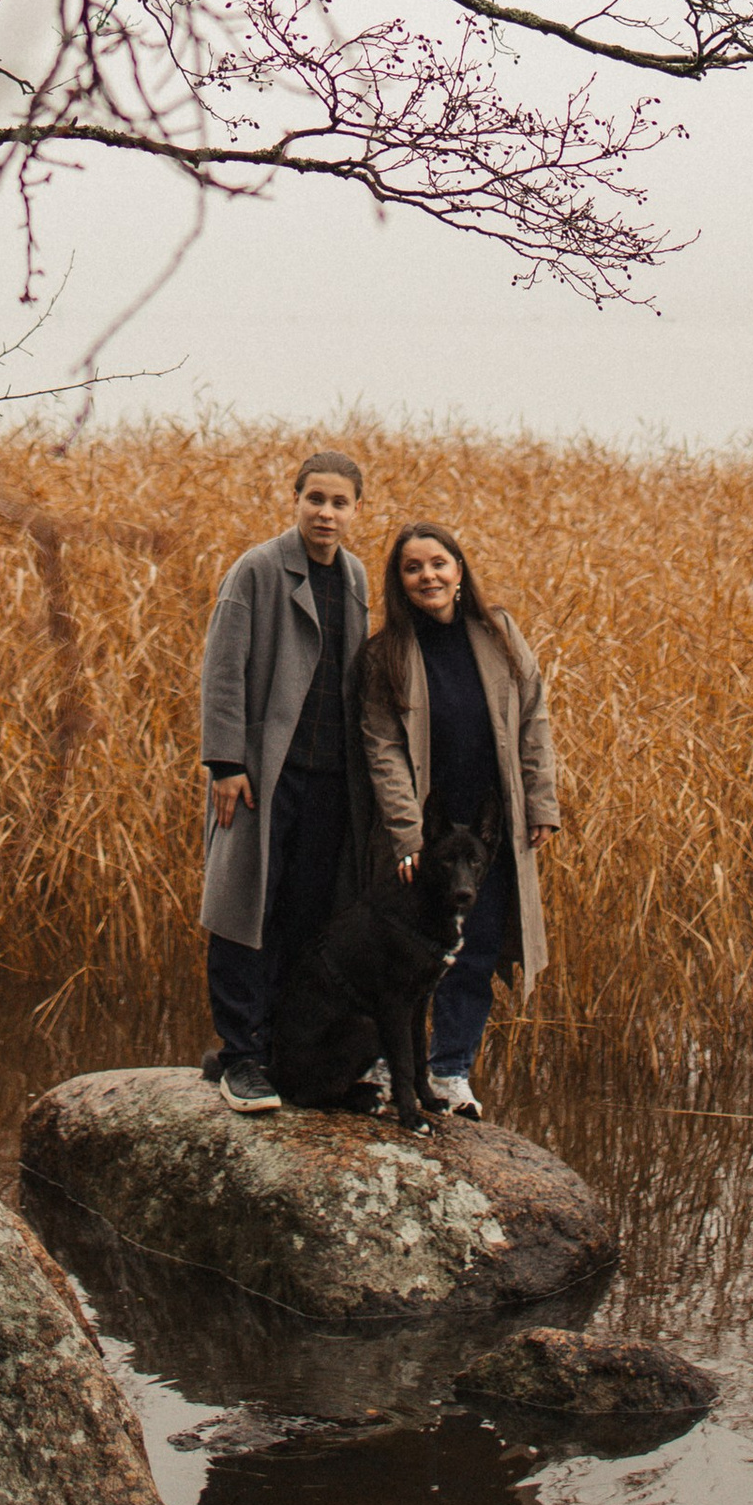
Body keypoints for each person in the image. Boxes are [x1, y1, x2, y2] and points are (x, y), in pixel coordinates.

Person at [359, 521, 557, 1117]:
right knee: (402, 946)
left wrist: (541, 802)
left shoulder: (498, 634)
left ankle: (449, 1072)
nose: (429, 577)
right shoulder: (386, 653)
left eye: (439, 564)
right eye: (413, 568)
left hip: (493, 825)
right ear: (400, 582)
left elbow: (533, 720)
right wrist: (406, 834)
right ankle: (386, 1063)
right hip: (425, 830)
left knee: (478, 947)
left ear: (459, 569)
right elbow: (383, 747)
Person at [200, 448, 375, 1113]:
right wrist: (225, 763)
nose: (326, 513)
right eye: (316, 499)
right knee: (245, 910)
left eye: (340, 502)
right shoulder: (258, 569)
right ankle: (240, 1056)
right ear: (296, 500)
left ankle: (277, 1049)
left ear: (357, 510)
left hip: (330, 779)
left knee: (307, 918)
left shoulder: (355, 576)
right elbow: (223, 670)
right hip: (261, 778)